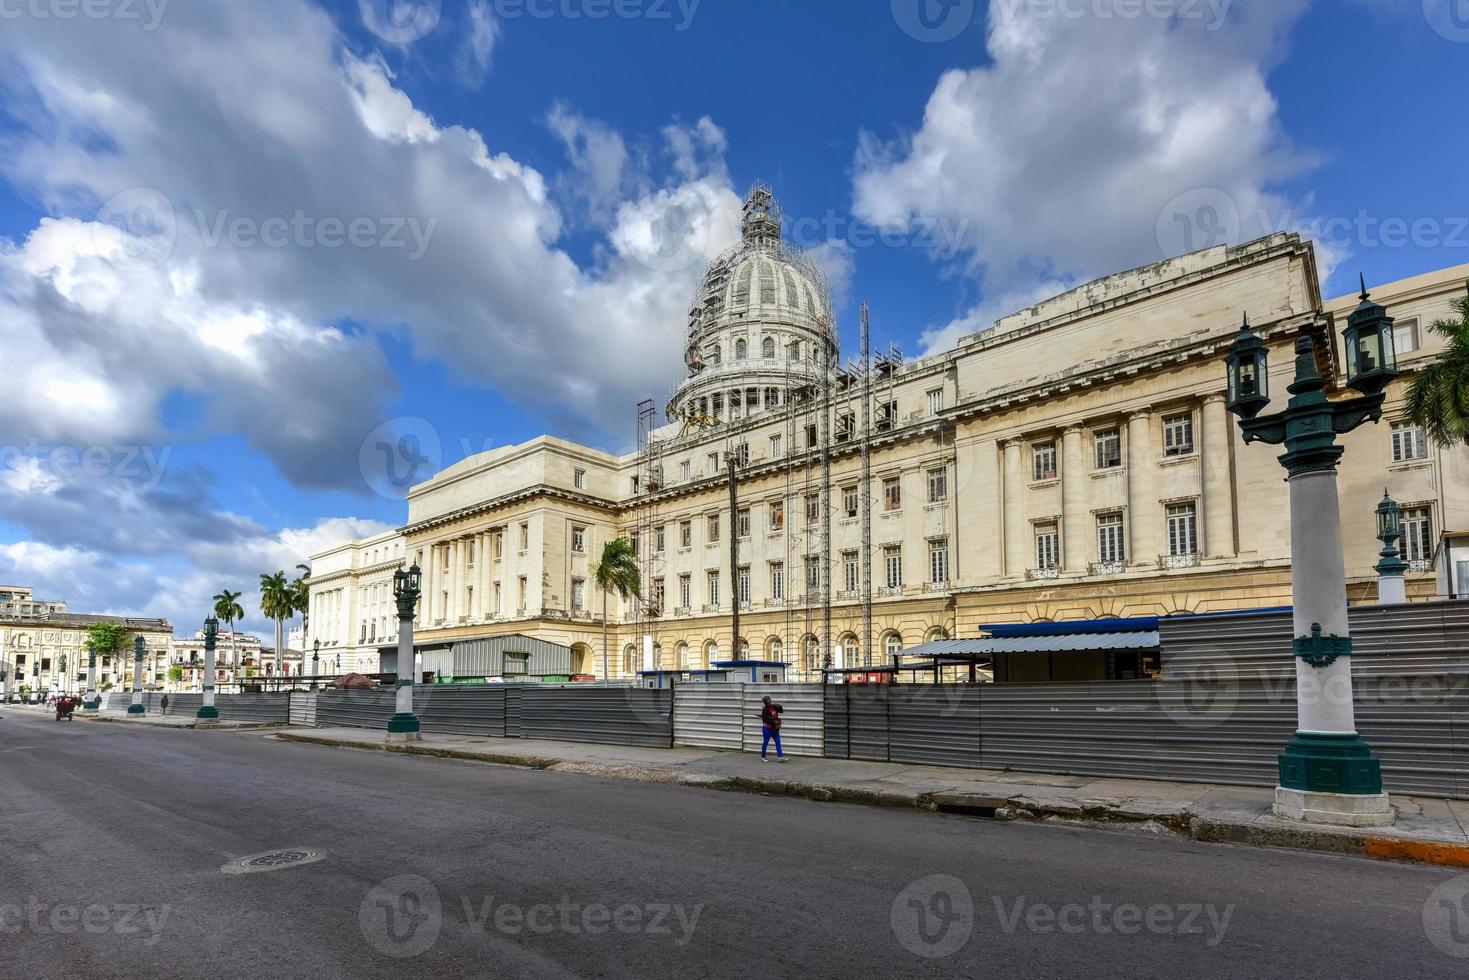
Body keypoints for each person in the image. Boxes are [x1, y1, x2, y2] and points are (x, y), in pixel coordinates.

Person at [759, 695, 786, 763]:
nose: (770, 703)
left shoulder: (774, 707)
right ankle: (763, 757)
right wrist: (774, 721)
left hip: (774, 729)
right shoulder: (764, 710)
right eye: (768, 702)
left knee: (778, 742)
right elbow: (765, 720)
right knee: (765, 743)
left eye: (770, 701)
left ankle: (780, 757)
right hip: (767, 729)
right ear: (765, 703)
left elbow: (781, 711)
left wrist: (779, 706)